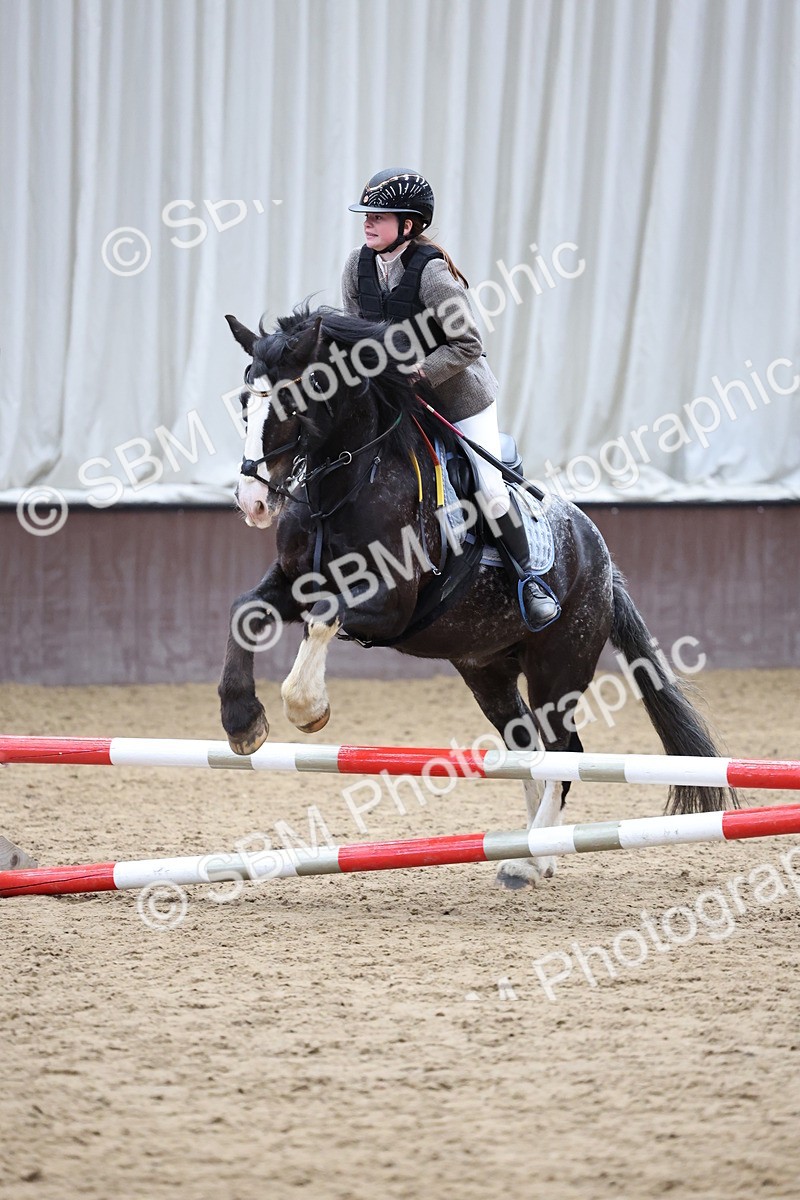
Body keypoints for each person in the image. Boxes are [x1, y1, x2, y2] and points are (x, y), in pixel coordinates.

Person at [341, 166, 559, 631]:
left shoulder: (434, 275)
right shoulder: (356, 267)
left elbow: (468, 344)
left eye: (380, 216)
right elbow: (356, 334)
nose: (367, 223)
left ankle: (530, 581)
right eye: (367, 215)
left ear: (409, 225)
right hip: (396, 402)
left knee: (490, 490)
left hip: (459, 400)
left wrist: (417, 372)